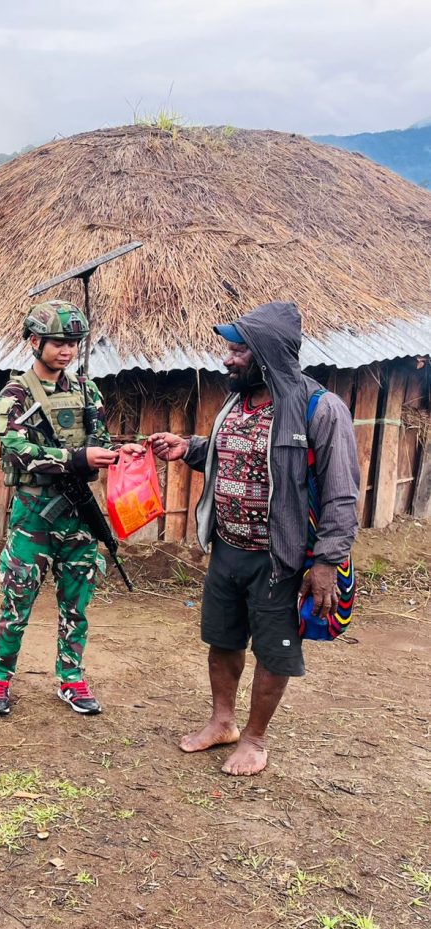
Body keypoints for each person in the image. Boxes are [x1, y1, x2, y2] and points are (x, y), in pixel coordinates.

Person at [148, 301, 359, 775]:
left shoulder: (319, 409)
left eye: (238, 350)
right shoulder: (237, 402)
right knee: (222, 641)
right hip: (228, 549)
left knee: (274, 648)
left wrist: (326, 562)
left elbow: (342, 495)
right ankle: (221, 722)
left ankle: (255, 738)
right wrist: (190, 449)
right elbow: (232, 455)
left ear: (265, 353)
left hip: (280, 559)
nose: (227, 359)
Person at [0, 301, 141, 718]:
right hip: (34, 515)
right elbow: (15, 450)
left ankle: (71, 678)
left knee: (77, 604)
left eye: (72, 343)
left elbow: (99, 441)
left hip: (79, 517)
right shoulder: (15, 393)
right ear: (35, 341)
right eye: (57, 342)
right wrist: (74, 458)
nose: (66, 350)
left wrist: (117, 451)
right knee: (16, 603)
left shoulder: (87, 390)